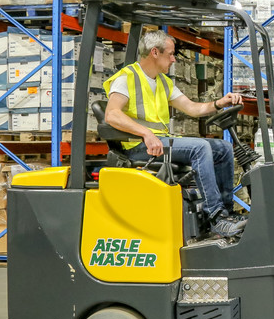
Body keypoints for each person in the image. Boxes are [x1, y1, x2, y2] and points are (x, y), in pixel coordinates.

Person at [104, 30, 246, 238]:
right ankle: (215, 217)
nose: (173, 59)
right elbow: (112, 115)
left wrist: (219, 103)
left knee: (223, 148)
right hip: (138, 146)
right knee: (200, 148)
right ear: (155, 52)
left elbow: (193, 109)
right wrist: (146, 134)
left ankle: (227, 213)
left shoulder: (162, 82)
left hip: (159, 143)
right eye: (170, 54)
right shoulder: (127, 78)